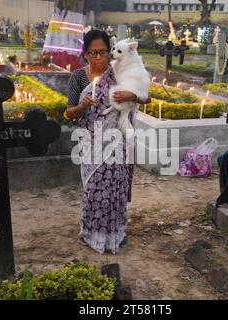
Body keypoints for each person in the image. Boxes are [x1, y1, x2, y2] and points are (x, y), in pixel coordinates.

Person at [65, 30, 150, 255]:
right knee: (94, 189)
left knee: (116, 188)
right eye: (93, 53)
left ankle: (116, 233)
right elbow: (69, 113)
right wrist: (82, 106)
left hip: (118, 143)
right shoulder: (78, 78)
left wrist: (131, 97)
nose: (99, 58)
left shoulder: (120, 71)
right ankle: (92, 233)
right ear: (85, 54)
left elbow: (145, 95)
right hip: (91, 144)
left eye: (103, 52)